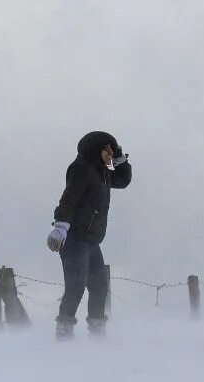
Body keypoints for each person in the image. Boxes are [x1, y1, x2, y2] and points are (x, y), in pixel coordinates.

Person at [46, 131, 132, 340]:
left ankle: (97, 332)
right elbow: (68, 199)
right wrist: (60, 227)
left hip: (92, 240)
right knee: (76, 287)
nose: (110, 152)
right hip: (75, 238)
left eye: (113, 148)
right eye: (107, 148)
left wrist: (120, 158)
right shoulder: (81, 169)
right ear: (96, 149)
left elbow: (122, 181)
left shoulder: (104, 170)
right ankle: (64, 333)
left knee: (99, 286)